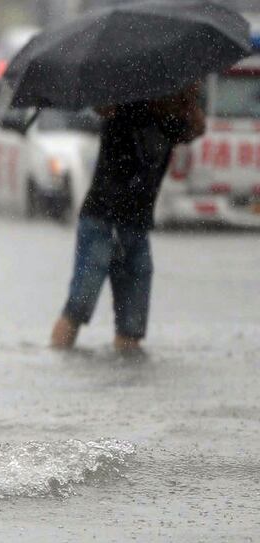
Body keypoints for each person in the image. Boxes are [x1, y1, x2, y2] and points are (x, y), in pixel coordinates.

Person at [50, 82, 206, 354]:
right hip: (102, 221)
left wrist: (191, 99)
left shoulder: (170, 123)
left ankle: (128, 378)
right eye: (182, 93)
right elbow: (103, 108)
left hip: (136, 227)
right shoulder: (126, 106)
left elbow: (198, 128)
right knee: (78, 307)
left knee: (132, 325)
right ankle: (58, 355)